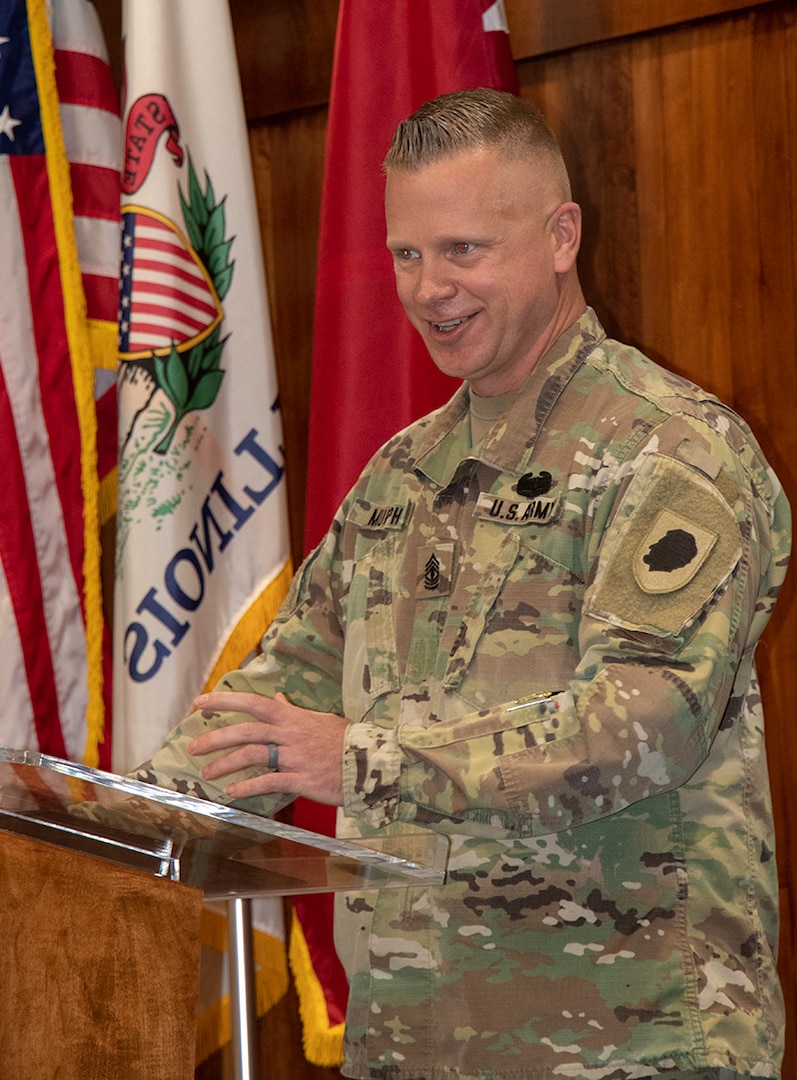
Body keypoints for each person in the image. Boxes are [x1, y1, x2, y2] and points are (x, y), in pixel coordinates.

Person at [133, 89, 791, 1079]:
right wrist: (104, 822)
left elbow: (641, 727)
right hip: (414, 1045)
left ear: (560, 236)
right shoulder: (402, 474)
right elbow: (276, 701)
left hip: (631, 1044)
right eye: (407, 254)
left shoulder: (669, 453)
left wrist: (360, 764)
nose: (429, 288)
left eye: (464, 251)